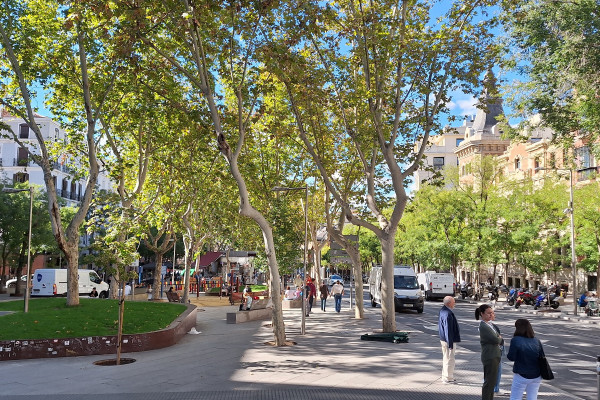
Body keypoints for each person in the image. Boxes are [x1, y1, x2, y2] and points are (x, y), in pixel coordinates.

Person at [507, 319, 544, 400]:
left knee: (515, 397)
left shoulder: (516, 340)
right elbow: (542, 356)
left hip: (521, 374)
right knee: (532, 397)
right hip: (537, 375)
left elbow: (511, 357)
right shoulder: (536, 341)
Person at [475, 304, 503, 400]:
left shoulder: (490, 325)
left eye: (492, 313)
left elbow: (498, 337)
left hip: (494, 355)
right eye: (489, 313)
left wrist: (498, 338)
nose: (491, 315)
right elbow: (496, 340)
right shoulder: (484, 326)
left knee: (492, 381)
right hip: (490, 356)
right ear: (482, 314)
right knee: (489, 382)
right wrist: (499, 339)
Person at [438, 296, 461, 384]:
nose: (454, 303)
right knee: (449, 358)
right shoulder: (447, 313)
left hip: (444, 339)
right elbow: (448, 329)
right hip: (448, 340)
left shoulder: (443, 310)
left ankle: (445, 376)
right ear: (449, 303)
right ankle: (448, 378)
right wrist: (450, 343)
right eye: (453, 302)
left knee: (446, 357)